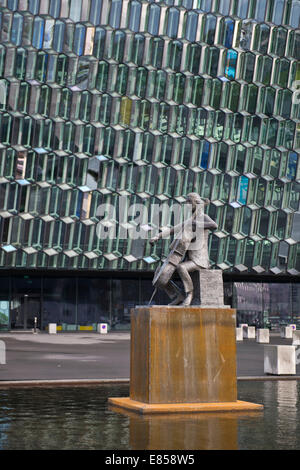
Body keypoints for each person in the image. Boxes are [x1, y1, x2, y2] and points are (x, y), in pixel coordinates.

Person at [150, 193, 217, 306]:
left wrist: (196, 223)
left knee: (181, 267)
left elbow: (214, 225)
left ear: (196, 203)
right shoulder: (190, 220)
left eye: (189, 202)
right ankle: (177, 296)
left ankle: (189, 294)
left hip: (199, 260)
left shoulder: (202, 218)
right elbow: (173, 229)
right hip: (188, 258)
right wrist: (158, 236)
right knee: (161, 272)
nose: (187, 205)